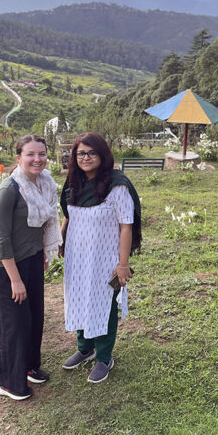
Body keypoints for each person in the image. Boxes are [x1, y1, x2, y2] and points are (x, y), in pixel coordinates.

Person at [60, 132, 142, 383]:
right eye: (81, 153)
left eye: (92, 152)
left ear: (102, 155)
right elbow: (68, 213)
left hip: (105, 259)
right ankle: (85, 348)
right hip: (77, 257)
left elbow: (126, 225)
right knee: (78, 297)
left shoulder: (117, 185)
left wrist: (123, 264)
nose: (86, 157)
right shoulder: (73, 182)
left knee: (104, 304)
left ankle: (104, 357)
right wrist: (62, 239)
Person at [0, 135, 62, 400]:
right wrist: (15, 281)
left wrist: (42, 252)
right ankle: (7, 382)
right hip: (7, 267)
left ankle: (30, 367)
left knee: (34, 319)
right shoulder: (9, 190)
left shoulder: (44, 184)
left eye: (41, 154)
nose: (37, 159)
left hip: (32, 260)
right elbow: (1, 240)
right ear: (18, 157)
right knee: (14, 325)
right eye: (30, 154)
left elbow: (43, 224)